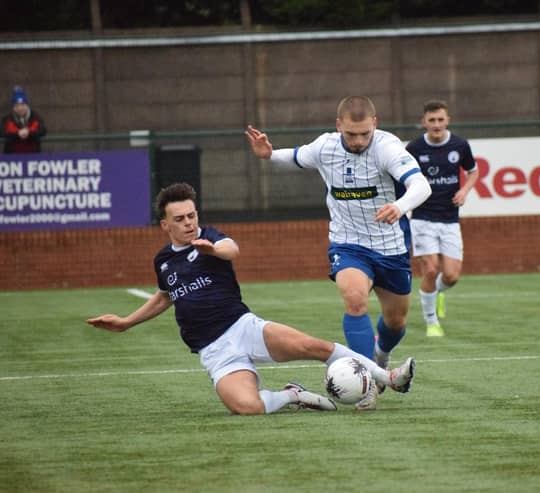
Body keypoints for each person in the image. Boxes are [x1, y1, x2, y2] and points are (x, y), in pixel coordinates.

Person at [86, 182, 416, 415]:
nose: (189, 223)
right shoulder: (163, 260)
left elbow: (233, 249)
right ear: (164, 225)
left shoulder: (210, 237)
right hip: (215, 352)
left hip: (243, 327)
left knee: (315, 347)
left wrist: (212, 248)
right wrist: (126, 323)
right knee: (247, 408)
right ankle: (293, 395)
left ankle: (388, 378)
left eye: (192, 216)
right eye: (180, 219)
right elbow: (164, 296)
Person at [245, 96, 431, 410]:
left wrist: (399, 206)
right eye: (350, 135)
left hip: (391, 248)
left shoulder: (387, 148)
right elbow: (295, 156)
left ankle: (380, 359)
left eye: (364, 134)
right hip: (348, 244)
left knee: (396, 321)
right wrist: (268, 155)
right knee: (355, 298)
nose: (358, 141)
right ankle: (372, 382)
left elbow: (421, 186)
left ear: (375, 124)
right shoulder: (325, 147)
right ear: (338, 126)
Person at [405, 100, 479, 337]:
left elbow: (473, 172)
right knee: (430, 270)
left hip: (450, 219)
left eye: (440, 120)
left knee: (451, 276)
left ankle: (437, 293)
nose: (436, 124)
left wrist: (464, 191)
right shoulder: (414, 148)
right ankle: (431, 322)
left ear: (447, 120)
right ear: (423, 122)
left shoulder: (460, 145)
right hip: (422, 218)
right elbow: (401, 175)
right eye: (431, 120)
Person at [0, 86, 47, 154]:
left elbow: (43, 130)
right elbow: (2, 132)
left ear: (27, 105)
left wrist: (29, 133)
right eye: (17, 105)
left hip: (33, 158)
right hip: (12, 159)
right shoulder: (7, 119)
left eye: (22, 105)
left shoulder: (35, 117)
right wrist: (17, 134)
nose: (20, 108)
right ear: (13, 107)